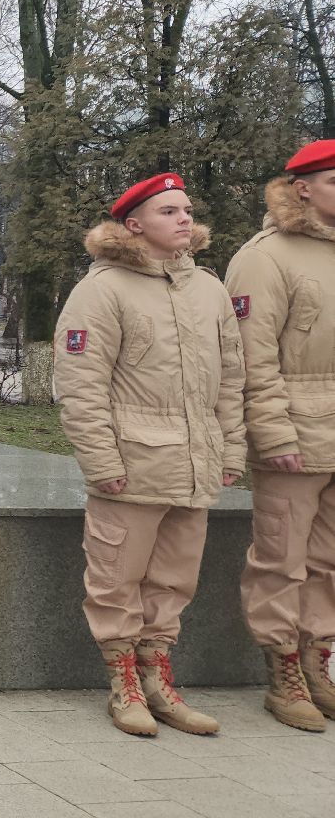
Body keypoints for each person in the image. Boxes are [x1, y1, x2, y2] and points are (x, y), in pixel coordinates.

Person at [53, 173, 245, 739]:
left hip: (195, 463)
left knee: (172, 581)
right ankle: (123, 685)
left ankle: (159, 681)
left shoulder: (207, 288)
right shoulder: (103, 289)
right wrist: (102, 462)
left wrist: (230, 447)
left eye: (186, 208)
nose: (184, 218)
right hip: (133, 464)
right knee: (116, 578)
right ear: (133, 225)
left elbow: (231, 378)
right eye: (168, 211)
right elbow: (82, 385)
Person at [226, 139, 335, 732]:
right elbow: (250, 357)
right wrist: (272, 434)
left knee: (330, 563)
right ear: (302, 188)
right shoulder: (265, 257)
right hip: (294, 429)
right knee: (282, 559)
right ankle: (283, 672)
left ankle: (319, 662)